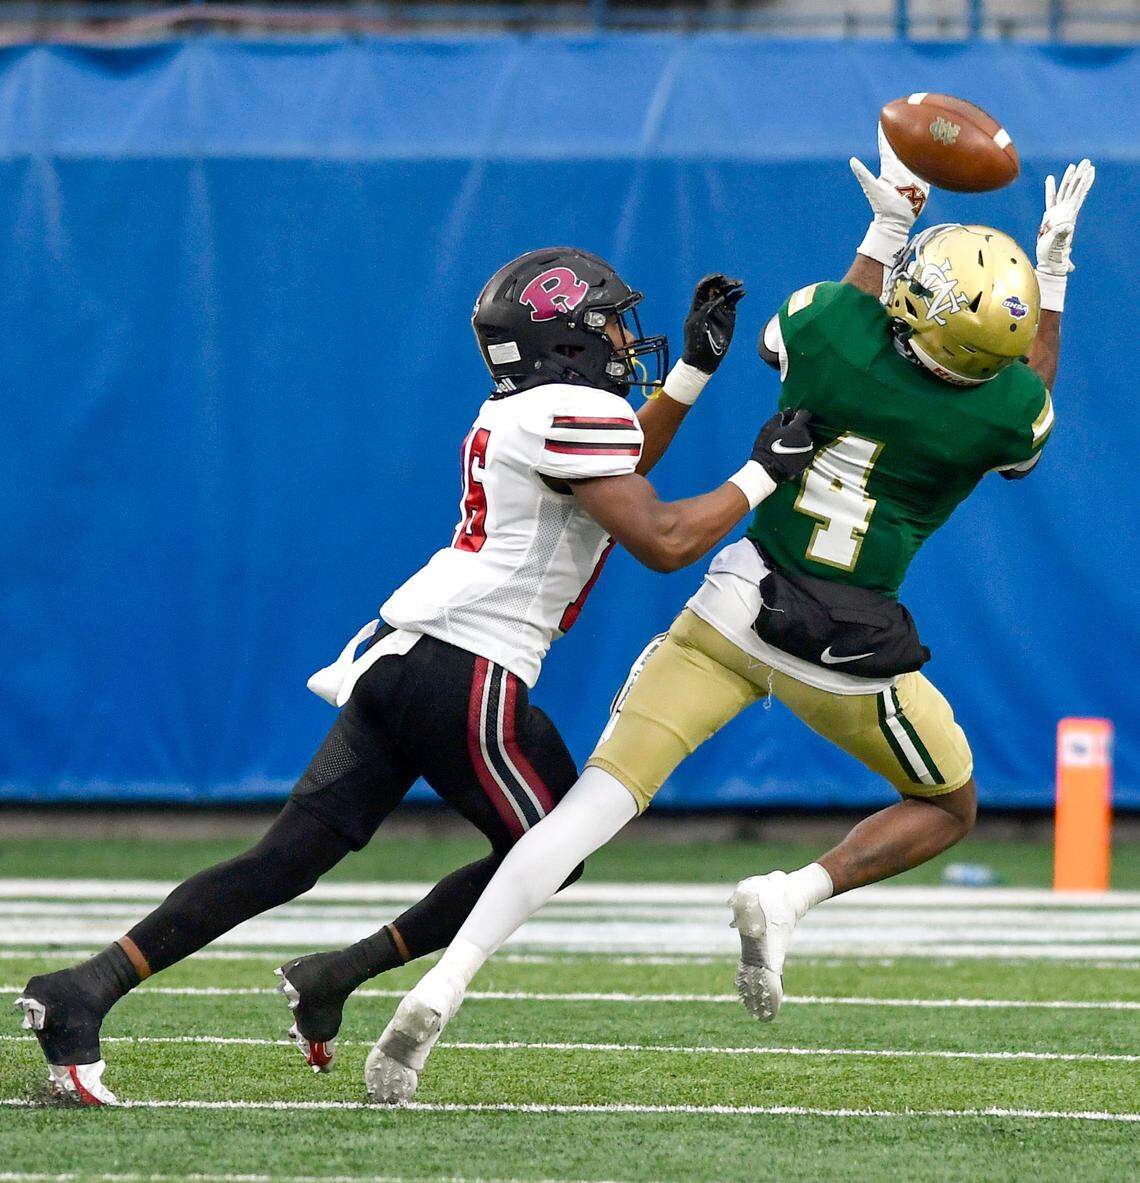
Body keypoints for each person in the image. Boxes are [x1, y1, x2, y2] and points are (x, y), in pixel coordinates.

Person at [363, 137, 1095, 1105]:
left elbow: (826, 332)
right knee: (951, 806)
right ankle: (793, 893)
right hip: (848, 651)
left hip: (738, 599)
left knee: (589, 808)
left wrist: (886, 230)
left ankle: (443, 987)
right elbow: (1031, 389)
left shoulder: (830, 324)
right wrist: (1050, 273)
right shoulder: (1005, 414)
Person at [16, 246, 818, 1104]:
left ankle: (84, 990)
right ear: (570, 343)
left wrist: (693, 374)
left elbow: (621, 474)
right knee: (552, 850)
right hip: (468, 673)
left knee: (283, 859)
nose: (627, 339)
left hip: (406, 658)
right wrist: (764, 471)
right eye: (609, 323)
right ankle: (342, 972)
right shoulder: (567, 414)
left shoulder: (535, 411)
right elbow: (660, 538)